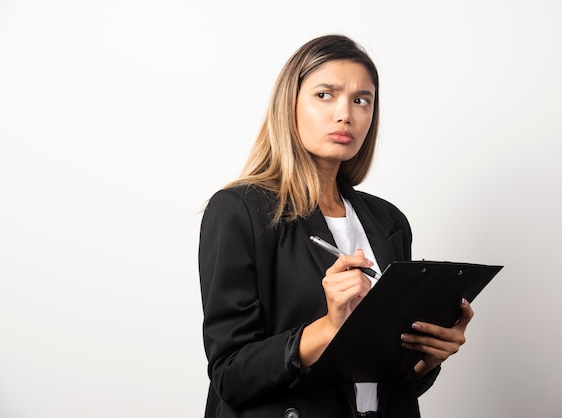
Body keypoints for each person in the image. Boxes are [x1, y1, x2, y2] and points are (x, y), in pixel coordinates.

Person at [198, 34, 473, 418]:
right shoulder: (240, 210)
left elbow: (387, 379)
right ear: (289, 105)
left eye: (362, 100)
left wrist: (428, 356)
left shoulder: (389, 221)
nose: (345, 113)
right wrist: (328, 328)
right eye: (325, 95)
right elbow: (230, 374)